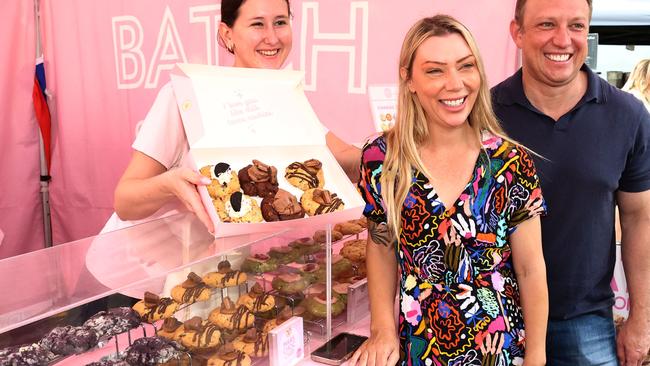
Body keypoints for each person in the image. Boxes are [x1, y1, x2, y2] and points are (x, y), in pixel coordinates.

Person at [350, 15, 548, 366]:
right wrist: (382, 328)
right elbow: (381, 247)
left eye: (465, 66)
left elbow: (531, 268)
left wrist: (537, 356)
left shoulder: (510, 162)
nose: (455, 84)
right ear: (408, 79)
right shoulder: (382, 159)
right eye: (435, 70)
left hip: (500, 350)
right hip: (418, 346)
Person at [110, 0, 360, 234]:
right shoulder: (188, 94)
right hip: (138, 269)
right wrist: (169, 184)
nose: (272, 37)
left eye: (281, 22)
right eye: (257, 24)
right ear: (227, 34)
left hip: (216, 269)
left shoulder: (288, 97)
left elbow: (345, 158)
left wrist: (392, 146)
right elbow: (125, 201)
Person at [491, 0, 650, 365]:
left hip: (586, 322)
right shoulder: (485, 114)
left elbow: (640, 219)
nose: (563, 40)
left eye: (576, 26)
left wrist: (642, 318)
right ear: (518, 33)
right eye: (547, 24)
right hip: (497, 317)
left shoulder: (627, 116)